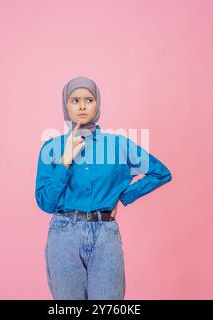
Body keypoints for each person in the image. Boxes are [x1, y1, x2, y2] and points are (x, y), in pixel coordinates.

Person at [35, 76, 172, 300]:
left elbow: (161, 173)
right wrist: (65, 161)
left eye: (88, 99)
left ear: (97, 103)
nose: (81, 105)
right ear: (65, 105)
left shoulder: (118, 144)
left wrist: (123, 195)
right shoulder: (52, 147)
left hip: (105, 236)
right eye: (74, 100)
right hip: (63, 236)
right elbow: (46, 203)